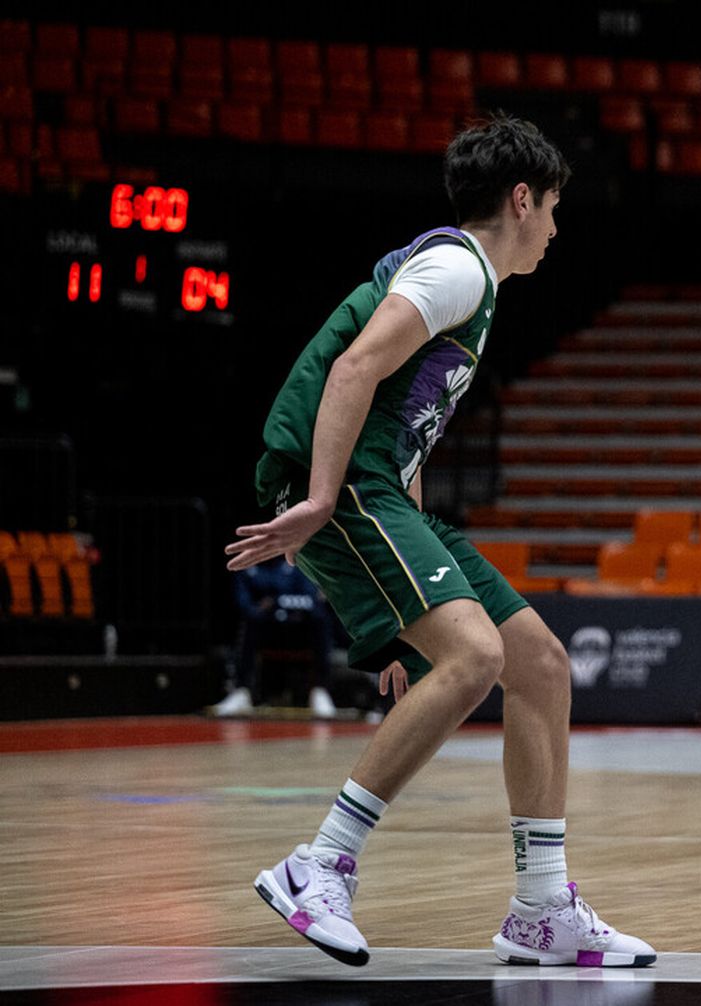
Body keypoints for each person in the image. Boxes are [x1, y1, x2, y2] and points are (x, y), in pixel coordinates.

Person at [224, 114, 654, 968]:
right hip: (342, 480)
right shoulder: (458, 266)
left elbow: (405, 425)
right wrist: (318, 498)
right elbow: (353, 371)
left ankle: (542, 909)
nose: (558, 230)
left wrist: (398, 613)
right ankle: (320, 866)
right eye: (555, 208)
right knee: (473, 656)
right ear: (522, 199)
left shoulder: (465, 278)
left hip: (380, 484)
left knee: (539, 664)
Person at [213, 557, 338, 718]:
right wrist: (263, 610)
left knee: (321, 620)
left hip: (297, 634)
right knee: (248, 623)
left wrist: (277, 603)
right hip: (264, 633)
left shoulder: (297, 565)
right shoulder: (246, 566)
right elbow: (243, 604)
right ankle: (241, 691)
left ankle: (321, 690)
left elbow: (312, 601)